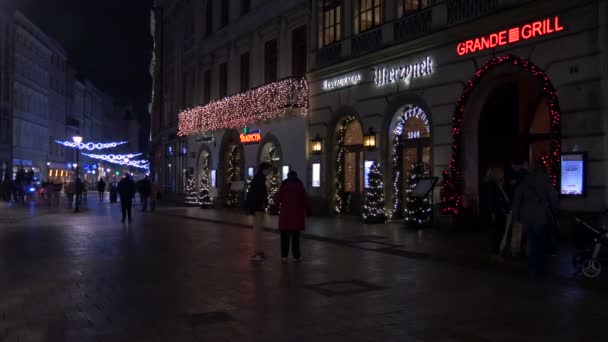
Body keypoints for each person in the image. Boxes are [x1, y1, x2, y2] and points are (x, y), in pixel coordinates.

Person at [512, 162, 558, 278]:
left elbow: (517, 198)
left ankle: (532, 266)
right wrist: (554, 210)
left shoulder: (525, 181)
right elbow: (553, 198)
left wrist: (516, 215)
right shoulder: (546, 181)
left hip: (526, 215)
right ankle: (537, 266)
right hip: (540, 215)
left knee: (531, 240)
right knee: (540, 242)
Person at [275, 171, 310, 261]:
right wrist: (308, 211)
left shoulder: (284, 186)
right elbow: (305, 200)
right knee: (296, 239)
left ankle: (284, 256)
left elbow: (277, 199)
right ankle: (296, 256)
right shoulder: (300, 186)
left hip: (285, 216)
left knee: (284, 238)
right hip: (297, 216)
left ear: (287, 177)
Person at [479, 167, 511, 259]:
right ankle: (495, 254)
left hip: (501, 212)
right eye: (501, 173)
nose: (502, 176)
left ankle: (496, 254)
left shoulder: (498, 184)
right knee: (496, 234)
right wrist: (493, 211)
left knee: (498, 234)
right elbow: (491, 200)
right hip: (497, 213)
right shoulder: (491, 185)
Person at [246, 162, 272, 261]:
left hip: (258, 208)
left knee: (258, 230)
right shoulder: (259, 179)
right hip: (258, 208)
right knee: (257, 231)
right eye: (269, 169)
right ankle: (257, 252)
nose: (270, 172)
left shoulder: (259, 178)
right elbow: (258, 194)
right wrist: (262, 203)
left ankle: (259, 251)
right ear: (264, 169)